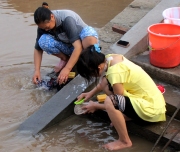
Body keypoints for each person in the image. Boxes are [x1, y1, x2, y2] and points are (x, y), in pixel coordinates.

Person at [76, 45, 166, 151]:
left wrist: (95, 105)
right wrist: (89, 93)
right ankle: (124, 116)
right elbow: (104, 83)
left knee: (111, 100)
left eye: (91, 74)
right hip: (148, 100)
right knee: (105, 81)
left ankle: (124, 141)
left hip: (152, 110)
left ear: (98, 68)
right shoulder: (110, 58)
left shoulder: (115, 71)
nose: (92, 77)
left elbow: (117, 101)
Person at [32, 4, 98, 85]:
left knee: (89, 37)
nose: (45, 30)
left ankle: (87, 60)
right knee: (42, 41)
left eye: (47, 27)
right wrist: (37, 70)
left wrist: (67, 69)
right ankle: (65, 59)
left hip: (83, 45)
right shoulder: (43, 26)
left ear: (52, 17)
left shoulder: (67, 19)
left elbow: (78, 47)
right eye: (43, 28)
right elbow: (38, 49)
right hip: (69, 45)